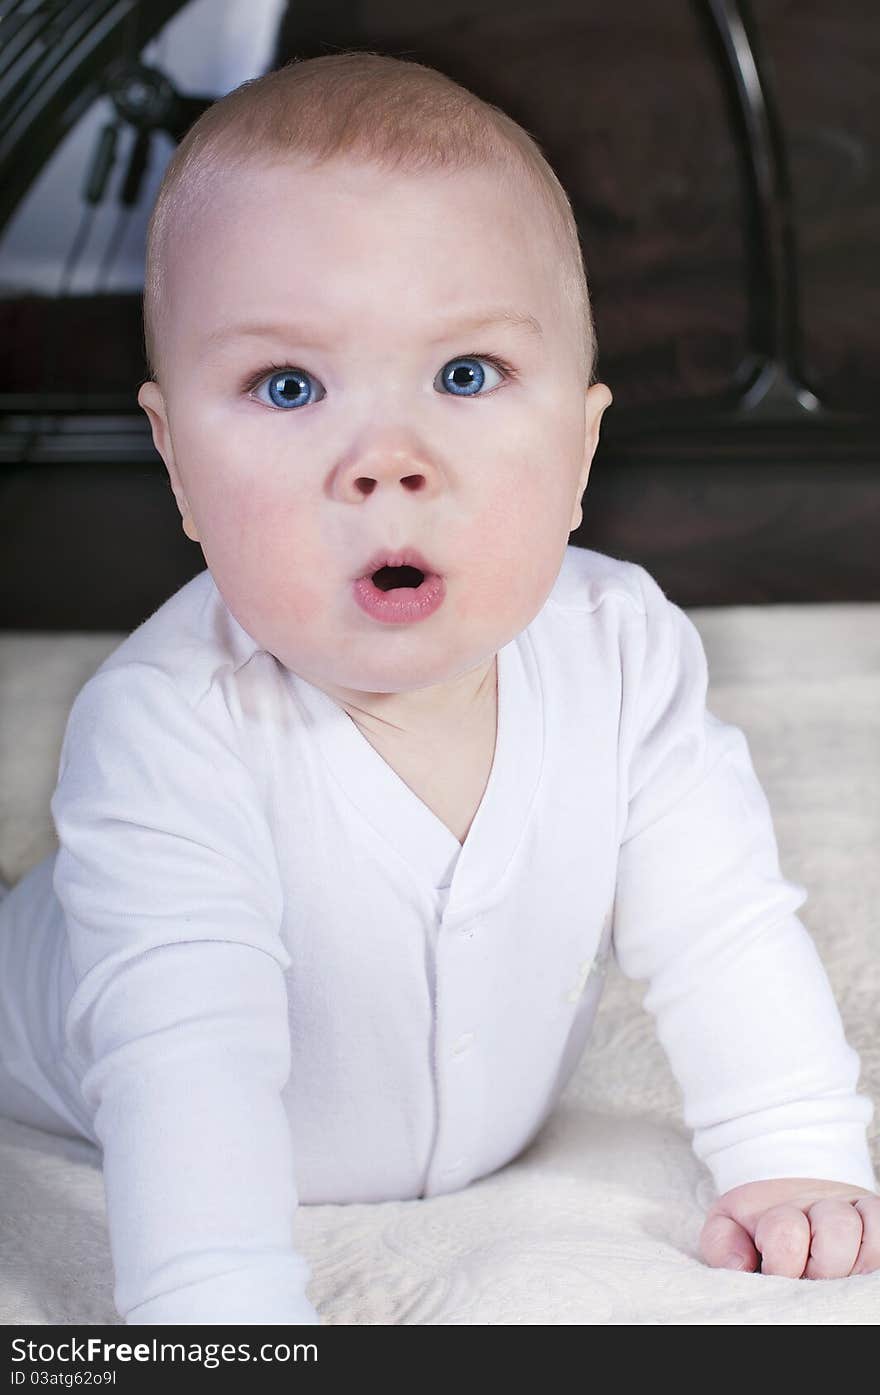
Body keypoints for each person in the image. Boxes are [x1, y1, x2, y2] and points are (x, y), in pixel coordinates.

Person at [0, 50, 877, 1327]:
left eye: (465, 375)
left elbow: (722, 921)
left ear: (579, 448)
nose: (386, 464)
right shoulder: (164, 730)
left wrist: (794, 1146)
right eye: (288, 385)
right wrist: (219, 1311)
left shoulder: (621, 649)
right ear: (178, 463)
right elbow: (184, 1066)